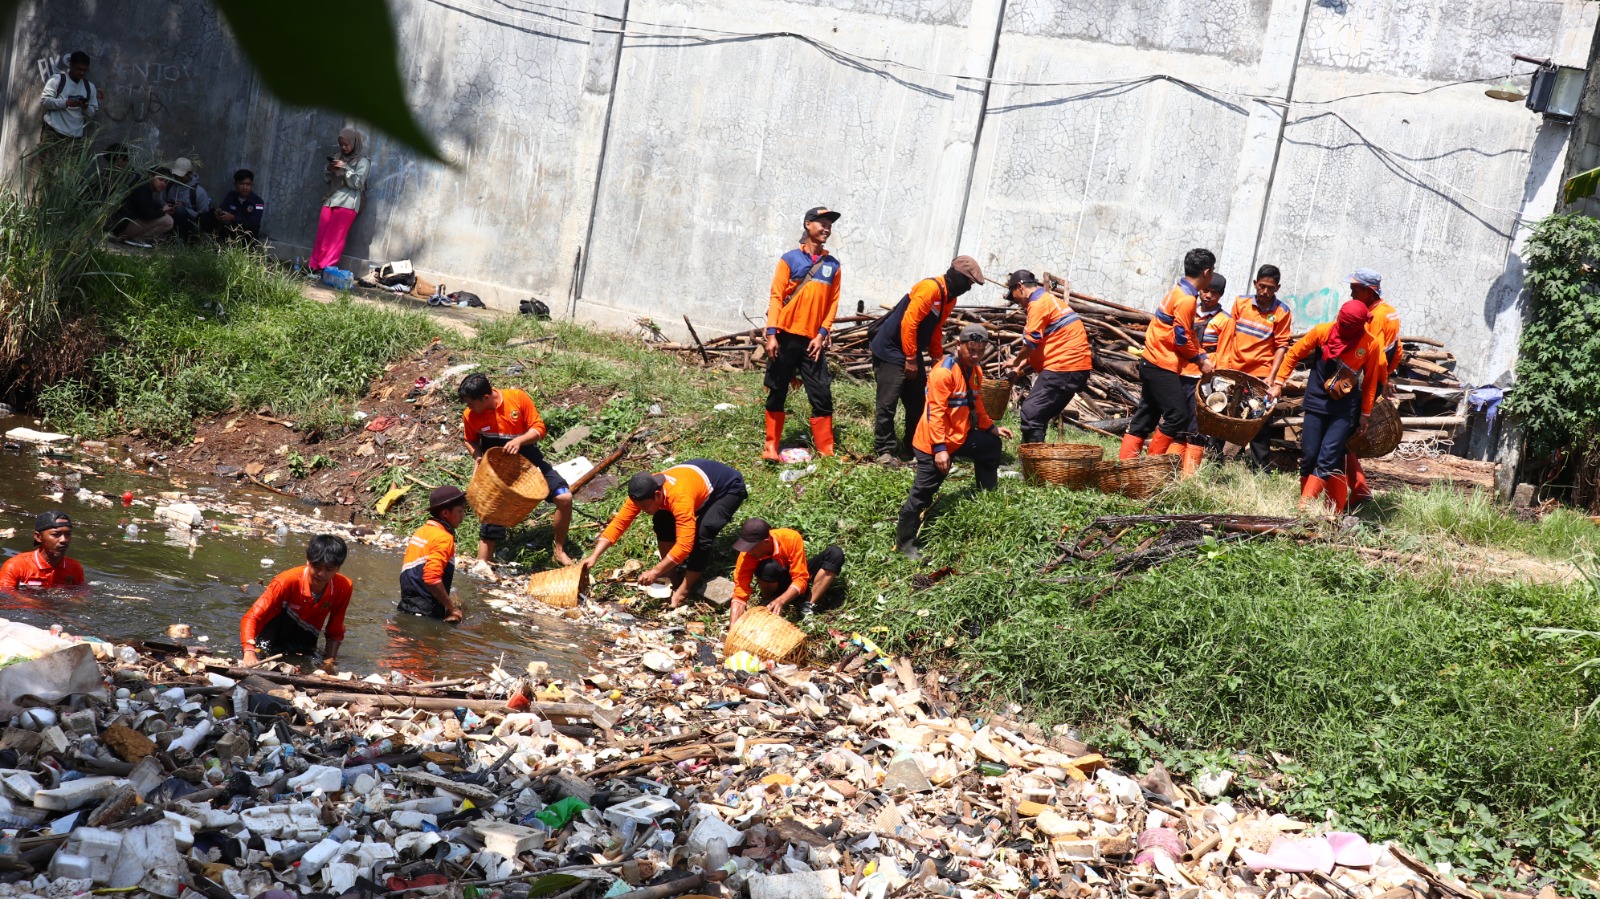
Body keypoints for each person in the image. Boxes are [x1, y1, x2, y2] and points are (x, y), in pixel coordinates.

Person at [895, 325, 1015, 558]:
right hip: (933, 443)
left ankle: (986, 493)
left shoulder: (975, 371)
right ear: (959, 345)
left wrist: (991, 427)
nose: (976, 354)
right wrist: (940, 451)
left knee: (990, 446)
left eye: (980, 350)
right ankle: (905, 542)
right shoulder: (944, 373)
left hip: (959, 436)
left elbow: (976, 404)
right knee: (923, 492)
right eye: (971, 349)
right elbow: (934, 413)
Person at [1266, 299, 1382, 513]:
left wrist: (1365, 413)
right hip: (1317, 402)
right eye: (1342, 323)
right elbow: (1293, 354)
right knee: (1309, 455)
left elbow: (1371, 379)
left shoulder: (1370, 344)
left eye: (1350, 327)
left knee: (1328, 457)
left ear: (1360, 325)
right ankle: (1308, 502)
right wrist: (1279, 382)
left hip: (1344, 410)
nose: (1344, 329)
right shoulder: (1323, 331)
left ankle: (1308, 510)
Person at [582, 460, 748, 607]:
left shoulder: (679, 498)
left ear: (657, 494)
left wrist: (655, 571)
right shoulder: (642, 493)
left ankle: (685, 588)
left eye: (646, 506)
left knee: (703, 534)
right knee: (662, 520)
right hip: (696, 479)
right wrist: (594, 556)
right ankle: (671, 574)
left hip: (727, 489)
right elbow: (619, 523)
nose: (644, 511)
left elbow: (685, 545)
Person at [869, 256, 985, 462]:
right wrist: (911, 357)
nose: (968, 287)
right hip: (891, 349)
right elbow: (909, 322)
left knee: (919, 402)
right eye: (968, 282)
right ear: (956, 276)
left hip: (910, 351)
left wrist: (935, 356)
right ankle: (884, 450)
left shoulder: (949, 298)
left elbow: (935, 327)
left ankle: (911, 447)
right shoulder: (929, 288)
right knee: (888, 402)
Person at [458, 373, 575, 566]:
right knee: (491, 515)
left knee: (564, 497)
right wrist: (477, 456)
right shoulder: (470, 416)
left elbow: (539, 429)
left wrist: (519, 441)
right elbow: (470, 440)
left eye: (471, 403)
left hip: (529, 462)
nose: (469, 408)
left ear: (485, 398)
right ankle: (483, 564)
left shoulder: (517, 398)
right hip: (497, 472)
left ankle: (559, 550)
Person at [1120, 248, 1217, 478]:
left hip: (1152, 361)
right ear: (1206, 272)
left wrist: (1202, 354)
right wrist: (1199, 361)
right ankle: (1150, 468)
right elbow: (1182, 338)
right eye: (1212, 272)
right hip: (1160, 364)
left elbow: (1187, 333)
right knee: (1177, 415)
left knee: (1147, 415)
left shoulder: (1178, 291)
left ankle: (1125, 468)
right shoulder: (1186, 300)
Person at [763, 207, 843, 460]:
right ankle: (771, 447)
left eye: (830, 224)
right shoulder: (789, 259)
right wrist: (772, 335)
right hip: (785, 336)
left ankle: (826, 451)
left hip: (813, 342)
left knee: (821, 393)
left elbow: (833, 303)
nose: (827, 228)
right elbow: (776, 297)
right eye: (822, 223)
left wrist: (822, 334)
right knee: (778, 390)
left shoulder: (833, 265)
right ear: (808, 225)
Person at [1214, 264, 1292, 469]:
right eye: (1262, 286)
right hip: (1234, 369)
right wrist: (1224, 366)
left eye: (1271, 288)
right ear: (1255, 283)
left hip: (1261, 374)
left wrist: (1272, 376)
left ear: (1278, 288)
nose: (1265, 292)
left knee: (1259, 420)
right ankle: (1214, 460)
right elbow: (1229, 334)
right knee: (1222, 413)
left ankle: (1259, 468)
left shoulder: (1282, 311)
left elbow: (1281, 346)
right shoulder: (1241, 302)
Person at [1004, 270, 1093, 445]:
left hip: (1064, 366)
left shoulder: (1038, 304)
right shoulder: (1048, 301)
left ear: (1020, 287)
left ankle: (1032, 466)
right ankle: (1031, 462)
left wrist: (1014, 362)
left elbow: (1030, 343)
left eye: (1014, 296)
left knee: (1031, 412)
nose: (1016, 302)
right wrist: (1018, 367)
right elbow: (1039, 346)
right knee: (1037, 414)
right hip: (1071, 366)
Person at [239, 535, 351, 672]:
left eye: (329, 569)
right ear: (308, 561)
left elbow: (335, 630)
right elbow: (251, 617)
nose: (321, 574)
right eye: (316, 566)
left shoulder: (343, 587)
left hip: (304, 647)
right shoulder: (286, 581)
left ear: (338, 568)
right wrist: (249, 652)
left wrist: (329, 661)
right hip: (267, 642)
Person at [1346, 268, 1401, 505]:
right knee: (1345, 438)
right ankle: (1358, 487)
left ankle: (1359, 488)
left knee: (1341, 437)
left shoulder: (1375, 317)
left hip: (1363, 383)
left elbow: (1372, 353)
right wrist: (1387, 377)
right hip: (1376, 380)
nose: (1350, 294)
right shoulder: (1390, 312)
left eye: (1355, 290)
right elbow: (1397, 350)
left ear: (1369, 291)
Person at [728, 518, 844, 623]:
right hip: (774, 581)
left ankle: (808, 605)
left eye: (751, 547)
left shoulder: (791, 538)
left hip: (794, 576)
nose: (748, 551)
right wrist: (733, 628)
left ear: (766, 541)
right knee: (769, 566)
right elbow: (740, 593)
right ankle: (769, 602)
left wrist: (782, 601)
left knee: (835, 554)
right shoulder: (747, 554)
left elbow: (800, 578)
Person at [1181, 272, 1233, 467]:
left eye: (1214, 293)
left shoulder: (1225, 320)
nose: (1208, 296)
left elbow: (1225, 353)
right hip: (1183, 371)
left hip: (1205, 377)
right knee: (1179, 418)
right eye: (1206, 290)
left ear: (1220, 296)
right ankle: (1173, 462)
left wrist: (1218, 380)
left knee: (1197, 423)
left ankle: (1190, 469)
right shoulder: (1190, 310)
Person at [400, 486, 468, 622]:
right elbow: (432, 579)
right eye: (460, 511)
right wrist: (452, 608)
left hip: (406, 607)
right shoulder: (443, 538)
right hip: (427, 613)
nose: (463, 516)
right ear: (445, 513)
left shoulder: (422, 531)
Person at [310, 128, 370, 273]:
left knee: (334, 238)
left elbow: (358, 183)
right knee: (322, 235)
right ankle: (313, 267)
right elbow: (328, 180)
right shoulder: (339, 156)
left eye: (346, 144)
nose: (343, 147)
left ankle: (326, 268)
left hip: (348, 203)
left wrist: (346, 168)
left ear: (354, 143)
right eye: (341, 144)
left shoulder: (363, 161)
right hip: (331, 199)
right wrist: (330, 169)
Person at [0, 511, 85, 592]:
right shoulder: (16, 566)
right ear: (38, 537)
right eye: (55, 534)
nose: (64, 540)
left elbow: (82, 595)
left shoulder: (74, 568)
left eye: (68, 534)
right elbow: (6, 595)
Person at [39, 52, 98, 152]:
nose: (82, 73)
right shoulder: (57, 80)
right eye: (79, 69)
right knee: (48, 166)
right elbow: (45, 101)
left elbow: (92, 113)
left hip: (75, 138)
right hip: (54, 133)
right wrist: (67, 103)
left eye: (85, 70)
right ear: (71, 65)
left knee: (70, 167)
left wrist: (85, 107)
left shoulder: (89, 87)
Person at [111, 169, 174, 247]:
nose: (163, 184)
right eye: (160, 179)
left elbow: (149, 206)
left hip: (120, 226)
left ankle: (134, 239)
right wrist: (163, 211)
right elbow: (147, 214)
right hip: (122, 227)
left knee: (164, 216)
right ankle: (138, 240)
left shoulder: (144, 186)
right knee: (168, 221)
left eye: (166, 182)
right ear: (151, 176)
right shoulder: (143, 188)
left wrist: (162, 208)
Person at [207, 168, 266, 242]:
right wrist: (217, 213)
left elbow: (254, 223)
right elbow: (223, 209)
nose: (245, 187)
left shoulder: (258, 201)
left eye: (248, 184)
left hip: (247, 237)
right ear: (235, 185)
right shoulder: (231, 195)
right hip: (229, 232)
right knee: (207, 217)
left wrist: (234, 218)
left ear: (252, 185)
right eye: (241, 184)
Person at [160, 158, 210, 243]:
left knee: (180, 211)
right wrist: (167, 207)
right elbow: (161, 202)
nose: (178, 179)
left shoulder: (199, 192)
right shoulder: (169, 186)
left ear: (189, 173)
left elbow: (204, 217)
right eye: (176, 176)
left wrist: (185, 209)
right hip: (170, 221)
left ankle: (183, 241)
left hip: (190, 226)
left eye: (181, 176)